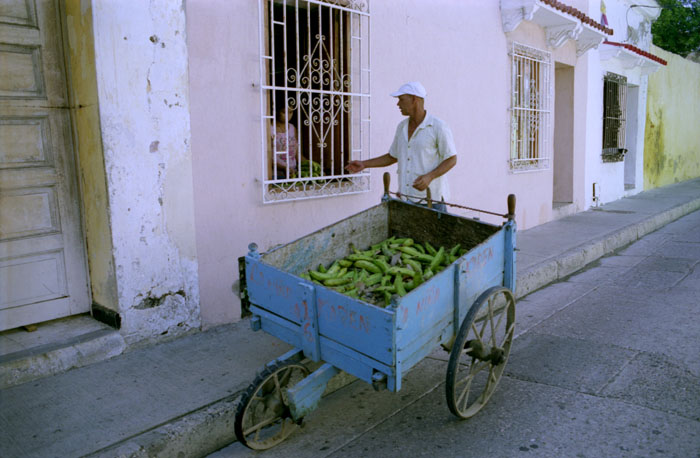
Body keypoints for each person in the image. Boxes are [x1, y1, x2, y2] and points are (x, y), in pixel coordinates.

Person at [345, 81, 457, 211]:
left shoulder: (438, 127)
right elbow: (392, 156)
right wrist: (364, 164)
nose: (398, 104)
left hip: (432, 200)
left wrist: (430, 176)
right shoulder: (402, 127)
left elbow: (451, 159)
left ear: (414, 99)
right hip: (405, 198)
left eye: (401, 99)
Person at [271, 104, 301, 179]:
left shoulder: (292, 128)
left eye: (291, 112)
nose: (288, 115)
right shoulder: (269, 128)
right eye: (284, 112)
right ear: (276, 112)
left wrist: (309, 164)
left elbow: (296, 152)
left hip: (292, 172)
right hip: (276, 173)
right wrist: (283, 168)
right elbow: (266, 156)